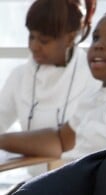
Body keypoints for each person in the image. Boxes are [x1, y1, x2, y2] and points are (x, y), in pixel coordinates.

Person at [0, 9, 106, 162]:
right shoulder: (93, 96)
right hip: (67, 176)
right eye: (96, 38)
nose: (99, 45)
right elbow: (61, 141)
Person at [0, 0, 99, 134]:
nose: (34, 46)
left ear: (70, 38)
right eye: (31, 36)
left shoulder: (93, 79)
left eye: (44, 41)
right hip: (27, 155)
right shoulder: (19, 76)